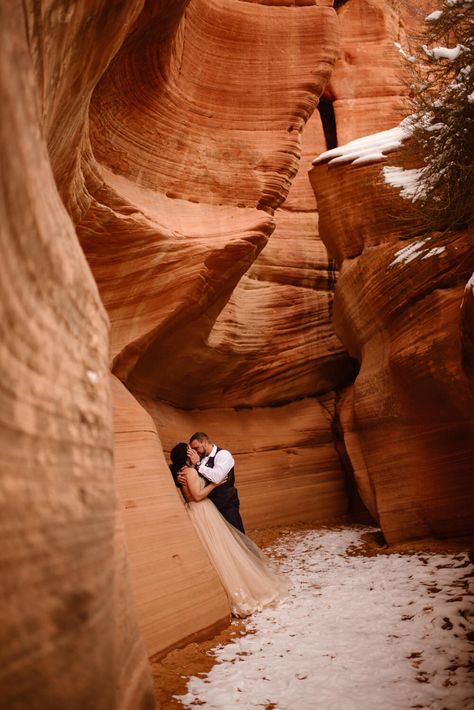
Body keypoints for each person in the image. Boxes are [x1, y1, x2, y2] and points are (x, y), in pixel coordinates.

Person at [170, 442, 288, 618]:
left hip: (194, 512)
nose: (195, 452)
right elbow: (197, 496)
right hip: (202, 510)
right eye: (191, 450)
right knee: (222, 549)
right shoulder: (190, 472)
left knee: (215, 549)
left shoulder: (181, 472)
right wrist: (214, 485)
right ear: (187, 455)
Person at [178, 432, 245, 534]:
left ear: (204, 442)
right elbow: (193, 477)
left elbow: (217, 478)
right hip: (210, 508)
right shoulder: (199, 459)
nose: (195, 452)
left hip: (227, 504)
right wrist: (180, 477)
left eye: (196, 448)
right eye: (193, 450)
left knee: (238, 535)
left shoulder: (223, 454)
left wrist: (198, 464)